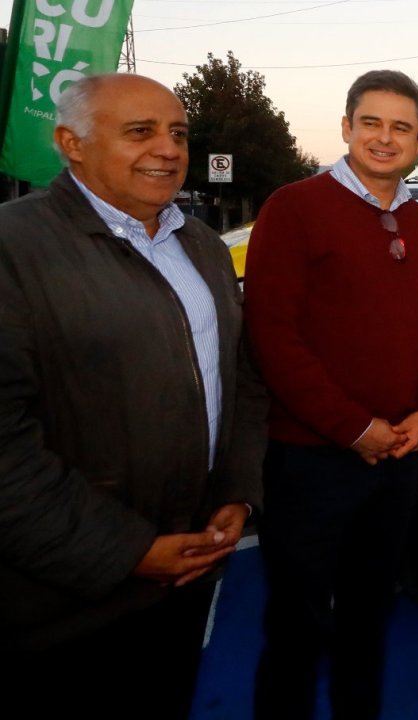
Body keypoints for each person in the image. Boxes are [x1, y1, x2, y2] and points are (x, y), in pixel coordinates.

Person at [0, 73, 266, 717]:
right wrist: (127, 552)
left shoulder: (202, 245)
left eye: (178, 133)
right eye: (140, 132)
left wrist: (238, 491)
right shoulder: (13, 247)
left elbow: (240, 379)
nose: (169, 149)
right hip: (61, 599)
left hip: (190, 566)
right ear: (72, 143)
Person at [246, 70, 418, 718]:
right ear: (346, 127)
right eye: (371, 123)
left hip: (396, 459)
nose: (385, 138)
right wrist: (354, 428)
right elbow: (273, 338)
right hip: (312, 461)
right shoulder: (294, 207)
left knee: (369, 617)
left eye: (401, 127)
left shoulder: (417, 219)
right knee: (298, 626)